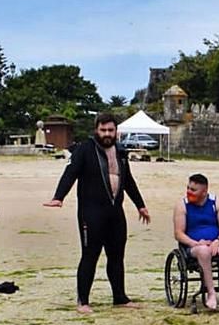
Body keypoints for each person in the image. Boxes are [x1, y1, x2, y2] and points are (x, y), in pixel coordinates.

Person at [44, 113, 151, 314]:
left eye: (111, 130)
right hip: (90, 214)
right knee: (90, 256)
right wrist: (59, 197)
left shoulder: (120, 152)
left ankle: (120, 297)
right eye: (103, 130)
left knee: (117, 257)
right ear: (96, 130)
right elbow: (70, 173)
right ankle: (83, 301)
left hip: (115, 213)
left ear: (116, 131)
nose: (107, 134)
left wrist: (140, 205)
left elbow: (128, 181)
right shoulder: (85, 149)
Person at [174, 173, 219, 310]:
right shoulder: (182, 205)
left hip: (214, 244)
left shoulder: (216, 202)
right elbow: (178, 233)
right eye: (188, 188)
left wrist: (218, 240)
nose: (189, 192)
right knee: (204, 251)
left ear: (204, 191)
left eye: (193, 190)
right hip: (194, 246)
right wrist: (195, 243)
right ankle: (210, 293)